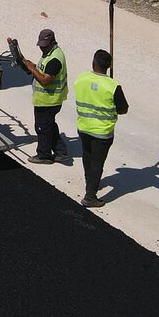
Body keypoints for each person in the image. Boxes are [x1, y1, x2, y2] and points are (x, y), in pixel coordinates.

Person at [72, 49, 129, 208]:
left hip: (83, 127)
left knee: (87, 156)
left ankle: (90, 182)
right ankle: (90, 196)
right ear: (109, 66)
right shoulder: (112, 86)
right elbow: (123, 109)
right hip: (102, 133)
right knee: (97, 163)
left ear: (93, 63)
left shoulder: (82, 78)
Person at [20, 28, 70, 165]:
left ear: (52, 42)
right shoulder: (50, 53)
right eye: (40, 45)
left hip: (49, 100)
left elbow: (45, 80)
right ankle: (61, 152)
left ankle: (44, 155)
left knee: (42, 127)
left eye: (44, 45)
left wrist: (32, 69)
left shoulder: (55, 59)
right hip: (48, 100)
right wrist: (32, 66)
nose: (42, 48)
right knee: (49, 125)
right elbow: (43, 70)